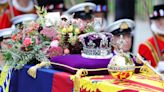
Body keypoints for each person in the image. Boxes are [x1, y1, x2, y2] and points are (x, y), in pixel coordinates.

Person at [138, 4, 164, 70]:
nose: (160, 22)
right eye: (157, 19)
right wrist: (157, 69)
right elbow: (142, 72)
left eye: (162, 19)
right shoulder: (145, 46)